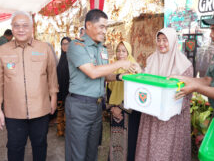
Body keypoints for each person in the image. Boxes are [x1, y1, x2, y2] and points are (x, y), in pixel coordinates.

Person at [65, 9, 135, 161]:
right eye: (101, 26)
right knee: (77, 154)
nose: (105, 31)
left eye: (106, 27)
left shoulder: (102, 49)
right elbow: (93, 72)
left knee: (92, 152)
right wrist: (121, 63)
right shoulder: (77, 46)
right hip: (79, 107)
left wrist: (119, 76)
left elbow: (103, 75)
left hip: (96, 106)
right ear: (89, 25)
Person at [0, 11, 58, 161]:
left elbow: (52, 75)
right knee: (14, 146)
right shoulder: (3, 50)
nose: (21, 29)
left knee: (40, 145)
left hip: (40, 109)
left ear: (32, 28)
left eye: (25, 26)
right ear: (11, 28)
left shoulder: (44, 48)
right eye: (17, 26)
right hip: (13, 112)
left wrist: (54, 97)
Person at [135, 28, 193, 161]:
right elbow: (146, 82)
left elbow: (188, 93)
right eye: (159, 40)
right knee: (148, 149)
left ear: (172, 41)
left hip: (171, 120)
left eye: (165, 40)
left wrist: (170, 105)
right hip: (150, 115)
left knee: (166, 153)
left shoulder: (184, 65)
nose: (161, 43)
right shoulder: (151, 59)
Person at [108, 41, 141, 161]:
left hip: (129, 113)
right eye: (118, 50)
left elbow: (137, 93)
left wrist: (120, 108)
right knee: (116, 142)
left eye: (123, 51)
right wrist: (112, 108)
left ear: (129, 52)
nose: (120, 53)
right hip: (114, 112)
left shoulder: (134, 68)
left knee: (128, 143)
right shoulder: (114, 67)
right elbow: (108, 91)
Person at [56, 37, 71, 136]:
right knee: (60, 111)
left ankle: (67, 132)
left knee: (68, 113)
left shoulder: (73, 58)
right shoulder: (61, 58)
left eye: (67, 44)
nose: (65, 46)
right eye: (63, 44)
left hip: (69, 90)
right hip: (60, 90)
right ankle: (60, 131)